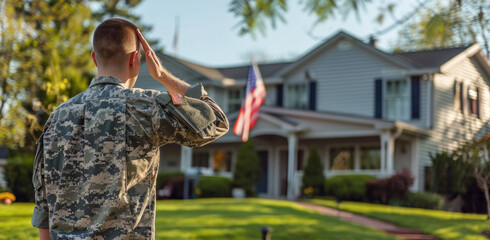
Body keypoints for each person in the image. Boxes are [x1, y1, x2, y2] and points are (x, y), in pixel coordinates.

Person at [31, 18, 229, 239]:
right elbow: (217, 121)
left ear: (95, 58)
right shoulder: (145, 107)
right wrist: (162, 75)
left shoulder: (56, 117)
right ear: (135, 59)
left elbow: (43, 203)